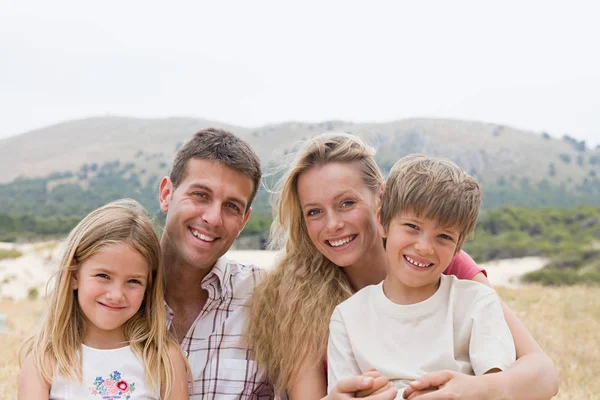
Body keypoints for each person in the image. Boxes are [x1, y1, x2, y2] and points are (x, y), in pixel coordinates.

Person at [246, 133, 559, 399]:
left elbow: (543, 373)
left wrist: (472, 390)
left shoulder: (444, 264)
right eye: (314, 212)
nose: (333, 224)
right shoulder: (303, 295)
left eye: (347, 203)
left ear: (381, 203)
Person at [327, 154, 516, 397]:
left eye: (444, 237)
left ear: (458, 246)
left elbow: (498, 390)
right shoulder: (348, 317)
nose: (425, 247)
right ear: (383, 222)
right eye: (412, 227)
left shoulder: (477, 303)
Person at [17, 199, 188, 400]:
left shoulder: (164, 359)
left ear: (148, 288)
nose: (116, 295)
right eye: (103, 276)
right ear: (74, 276)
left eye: (133, 281)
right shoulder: (43, 361)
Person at [158, 128, 274, 398]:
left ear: (244, 221)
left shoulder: (268, 299)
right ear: (166, 194)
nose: (213, 218)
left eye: (231, 206)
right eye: (200, 195)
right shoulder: (110, 290)